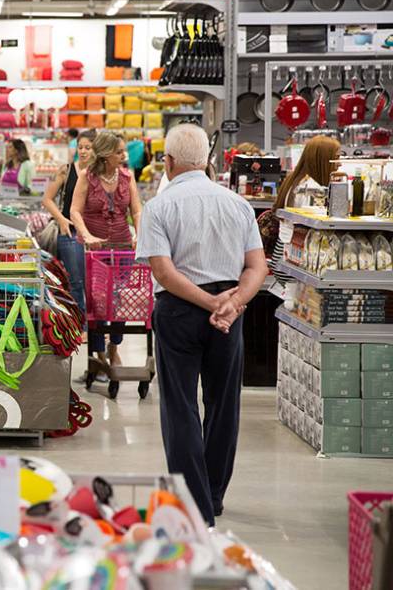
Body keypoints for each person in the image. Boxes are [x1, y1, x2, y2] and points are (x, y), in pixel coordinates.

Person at [135, 124, 268, 528]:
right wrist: (232, 303)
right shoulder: (238, 204)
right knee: (224, 404)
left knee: (180, 408)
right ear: (208, 161)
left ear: (168, 162)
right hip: (230, 311)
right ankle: (214, 494)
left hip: (179, 310)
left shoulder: (159, 207)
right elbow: (257, 266)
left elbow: (164, 270)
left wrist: (210, 302)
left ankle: (194, 504)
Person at [69, 131, 142, 366]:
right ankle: (98, 351)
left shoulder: (127, 177)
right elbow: (75, 211)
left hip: (122, 246)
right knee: (97, 300)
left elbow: (137, 210)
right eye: (119, 151)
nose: (124, 155)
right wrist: (87, 234)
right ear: (106, 154)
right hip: (94, 249)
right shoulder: (86, 177)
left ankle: (114, 345)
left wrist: (140, 234)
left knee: (119, 297)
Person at [264, 135, 340, 285]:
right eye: (336, 158)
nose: (339, 164)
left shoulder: (295, 181)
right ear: (324, 160)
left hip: (283, 253)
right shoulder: (311, 190)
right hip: (294, 258)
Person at [42, 130, 94, 318]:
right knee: (76, 282)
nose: (83, 151)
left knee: (94, 284)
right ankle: (81, 326)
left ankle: (96, 327)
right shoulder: (66, 170)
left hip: (94, 236)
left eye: (88, 147)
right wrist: (61, 218)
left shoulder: (99, 173)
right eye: (80, 147)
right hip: (70, 233)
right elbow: (47, 199)